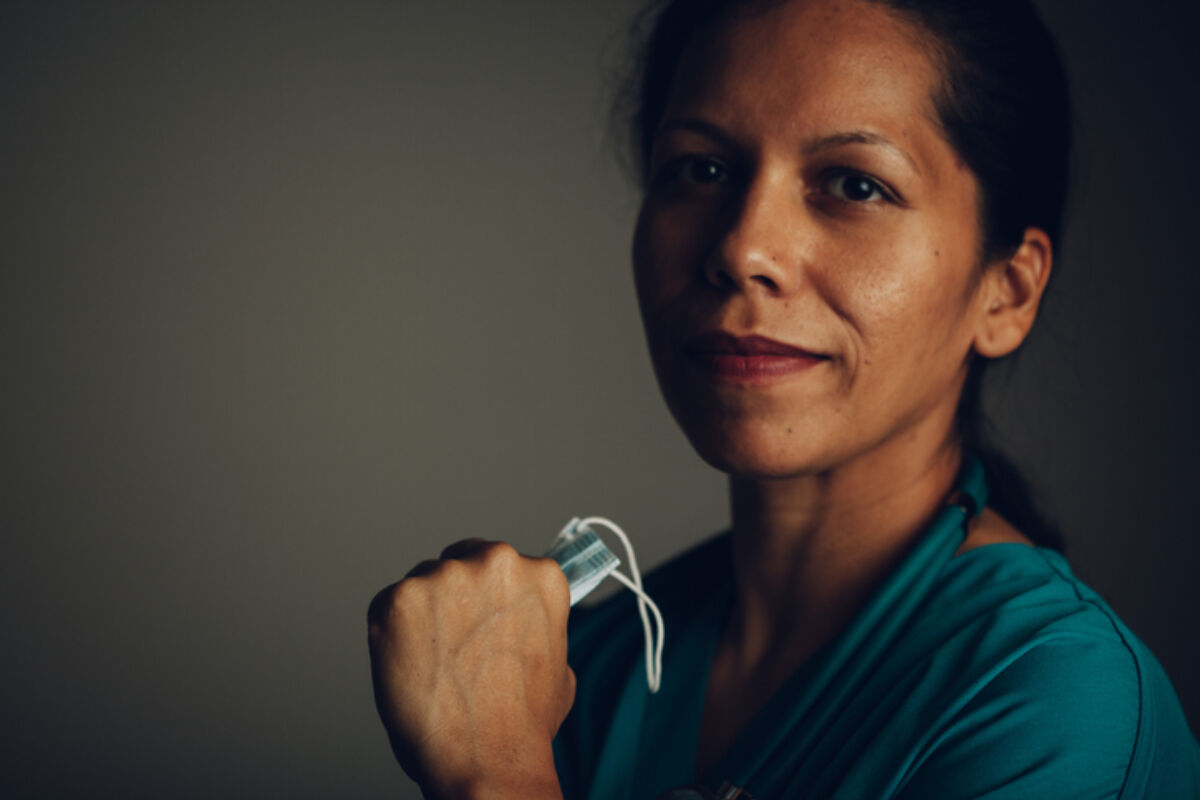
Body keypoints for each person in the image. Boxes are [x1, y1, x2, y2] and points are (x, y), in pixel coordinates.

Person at [367, 0, 1200, 797]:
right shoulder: (581, 666)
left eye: (855, 185)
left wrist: (497, 776)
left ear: (1005, 293)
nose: (742, 248)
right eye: (702, 169)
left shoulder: (1058, 703)